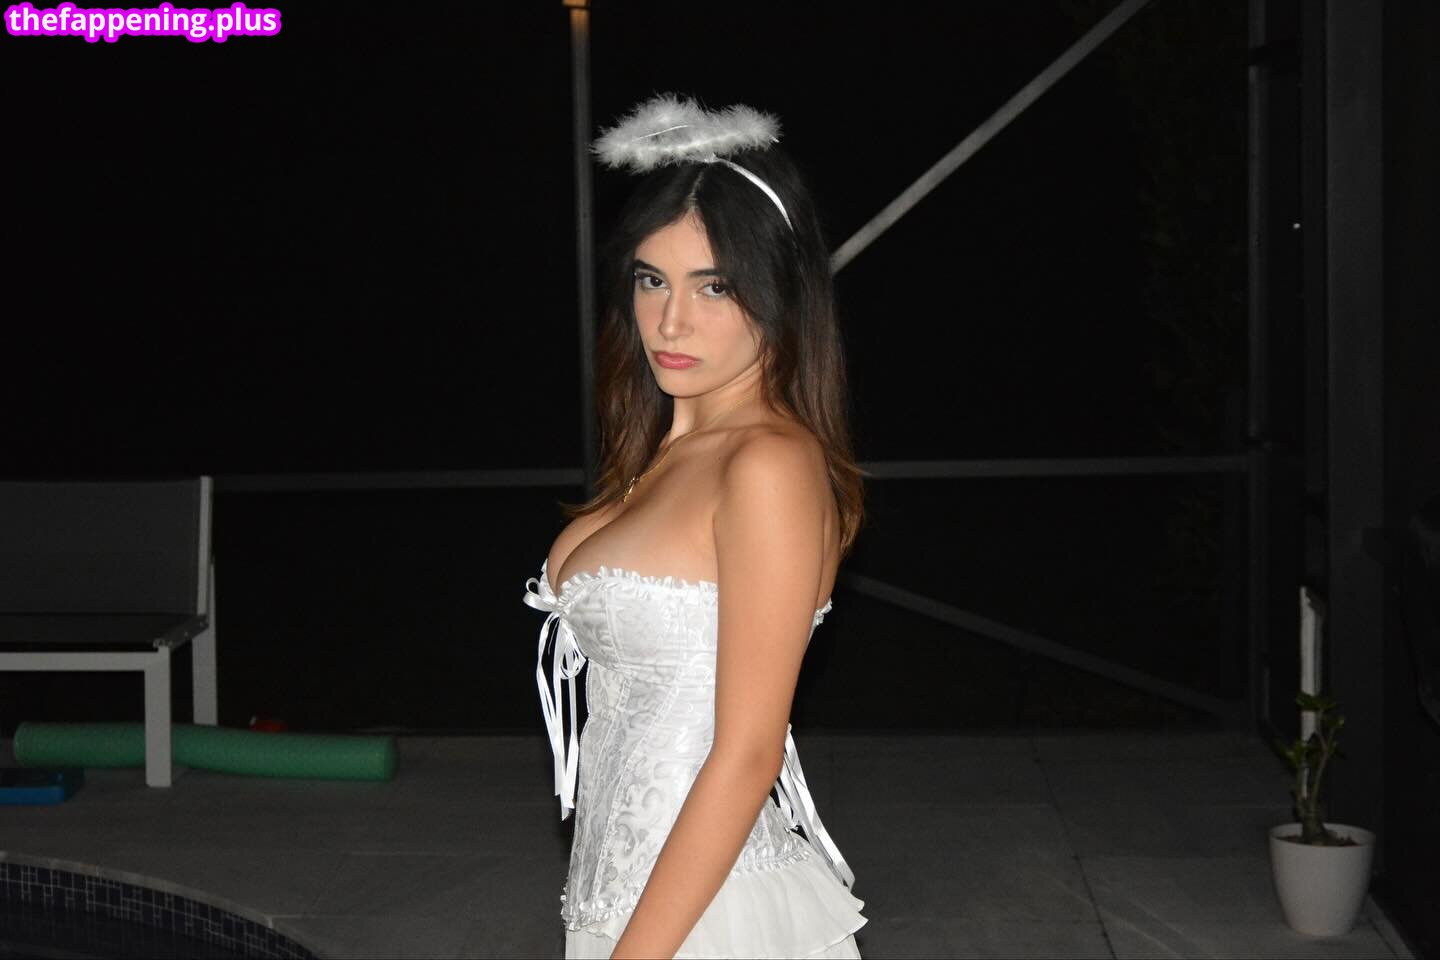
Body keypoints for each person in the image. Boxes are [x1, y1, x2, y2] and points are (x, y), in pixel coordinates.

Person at [523, 94, 868, 959]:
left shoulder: (769, 465)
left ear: (779, 293)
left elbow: (747, 754)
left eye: (714, 286)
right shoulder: (666, 453)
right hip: (624, 896)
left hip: (709, 916)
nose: (670, 322)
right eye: (652, 280)